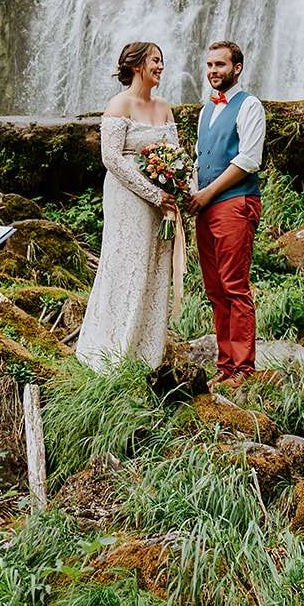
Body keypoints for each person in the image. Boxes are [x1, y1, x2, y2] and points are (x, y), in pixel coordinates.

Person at [76, 41, 179, 368]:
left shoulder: (164, 107)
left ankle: (145, 355)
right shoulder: (118, 105)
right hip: (128, 198)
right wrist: (154, 194)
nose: (161, 66)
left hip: (161, 202)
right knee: (127, 265)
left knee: (155, 268)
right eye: (155, 60)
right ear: (137, 65)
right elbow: (112, 158)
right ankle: (109, 352)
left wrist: (176, 189)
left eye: (162, 61)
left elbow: (176, 154)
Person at [187, 40, 266, 391]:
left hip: (235, 203)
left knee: (235, 286)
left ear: (237, 68)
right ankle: (225, 363)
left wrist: (208, 193)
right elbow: (198, 158)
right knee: (215, 288)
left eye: (220, 65)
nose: (213, 71)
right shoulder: (206, 110)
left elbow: (249, 159)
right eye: (209, 65)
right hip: (204, 206)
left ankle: (244, 369)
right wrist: (190, 190)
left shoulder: (250, 105)